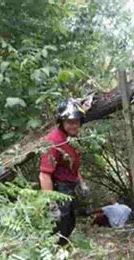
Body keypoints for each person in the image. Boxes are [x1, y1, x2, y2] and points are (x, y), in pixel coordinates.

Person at [39, 98, 90, 246]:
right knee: (59, 224)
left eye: (76, 121)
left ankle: (61, 250)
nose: (74, 125)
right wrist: (51, 202)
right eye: (69, 122)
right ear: (61, 121)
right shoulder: (54, 141)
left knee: (70, 222)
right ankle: (52, 254)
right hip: (57, 187)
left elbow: (72, 165)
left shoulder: (72, 139)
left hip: (69, 186)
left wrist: (81, 182)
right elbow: (44, 174)